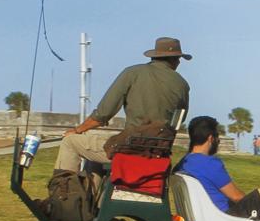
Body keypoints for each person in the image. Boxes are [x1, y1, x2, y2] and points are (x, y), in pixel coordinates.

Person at [54, 36, 191, 173]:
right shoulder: (182, 85)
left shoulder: (133, 73)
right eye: (179, 59)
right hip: (159, 152)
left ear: (154, 56)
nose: (179, 62)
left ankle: (64, 192)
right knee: (98, 159)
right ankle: (94, 193)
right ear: (174, 59)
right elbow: (179, 120)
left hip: (130, 148)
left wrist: (77, 130)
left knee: (70, 142)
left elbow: (103, 113)